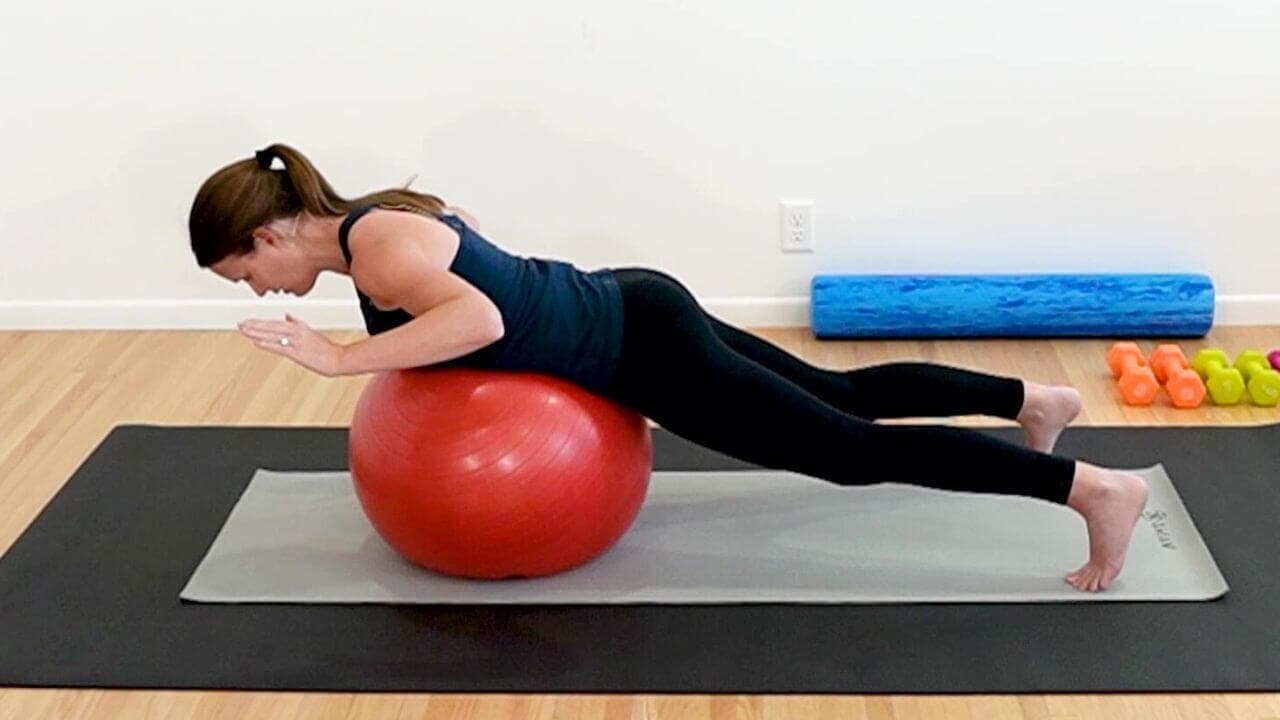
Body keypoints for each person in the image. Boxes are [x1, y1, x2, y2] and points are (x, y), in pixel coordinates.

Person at [189, 143, 1149, 592]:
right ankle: (1036, 397)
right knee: (842, 393)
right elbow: (477, 248)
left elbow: (476, 317)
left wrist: (342, 359)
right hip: (633, 301)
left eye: (247, 271)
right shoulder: (383, 216)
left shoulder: (381, 249)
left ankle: (1089, 489)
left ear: (269, 233)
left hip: (640, 345)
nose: (257, 291)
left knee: (851, 448)